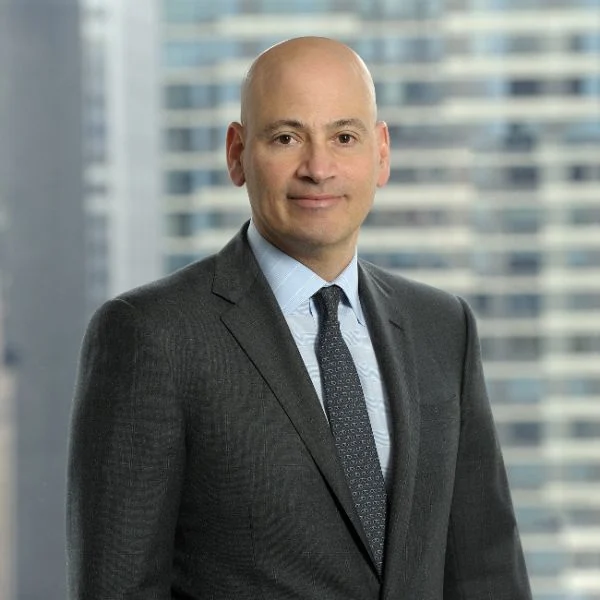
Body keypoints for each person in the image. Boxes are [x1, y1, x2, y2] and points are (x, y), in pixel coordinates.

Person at [67, 36, 532, 599]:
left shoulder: (443, 327)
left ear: (380, 154)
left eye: (344, 137)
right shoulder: (151, 334)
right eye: (286, 137)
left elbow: (487, 574)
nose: (318, 167)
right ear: (237, 153)